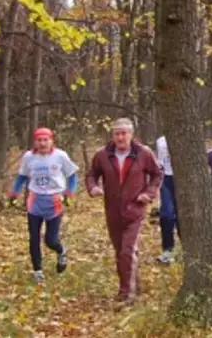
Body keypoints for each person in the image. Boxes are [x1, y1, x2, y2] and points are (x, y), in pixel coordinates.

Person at [86, 118, 163, 304]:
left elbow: (157, 174)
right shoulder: (103, 155)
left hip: (135, 209)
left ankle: (126, 294)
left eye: (124, 133)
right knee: (120, 250)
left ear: (131, 134)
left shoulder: (143, 153)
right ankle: (135, 285)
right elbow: (91, 175)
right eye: (117, 134)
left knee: (127, 251)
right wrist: (93, 188)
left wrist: (149, 193)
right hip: (112, 210)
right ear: (112, 136)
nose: (120, 137)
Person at [9, 127, 78, 285]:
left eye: (45, 140)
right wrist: (14, 193)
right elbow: (22, 176)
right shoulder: (29, 157)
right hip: (35, 200)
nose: (42, 143)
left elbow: (72, 176)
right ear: (35, 142)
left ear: (51, 140)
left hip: (54, 201)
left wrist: (70, 193)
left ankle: (61, 251)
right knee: (34, 238)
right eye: (39, 140)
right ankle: (38, 271)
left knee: (50, 240)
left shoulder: (60, 156)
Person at [155, 135, 179, 264]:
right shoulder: (160, 140)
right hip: (166, 179)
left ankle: (186, 250)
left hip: (183, 179)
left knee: (183, 217)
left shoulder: (187, 135)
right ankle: (168, 250)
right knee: (167, 215)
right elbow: (158, 160)